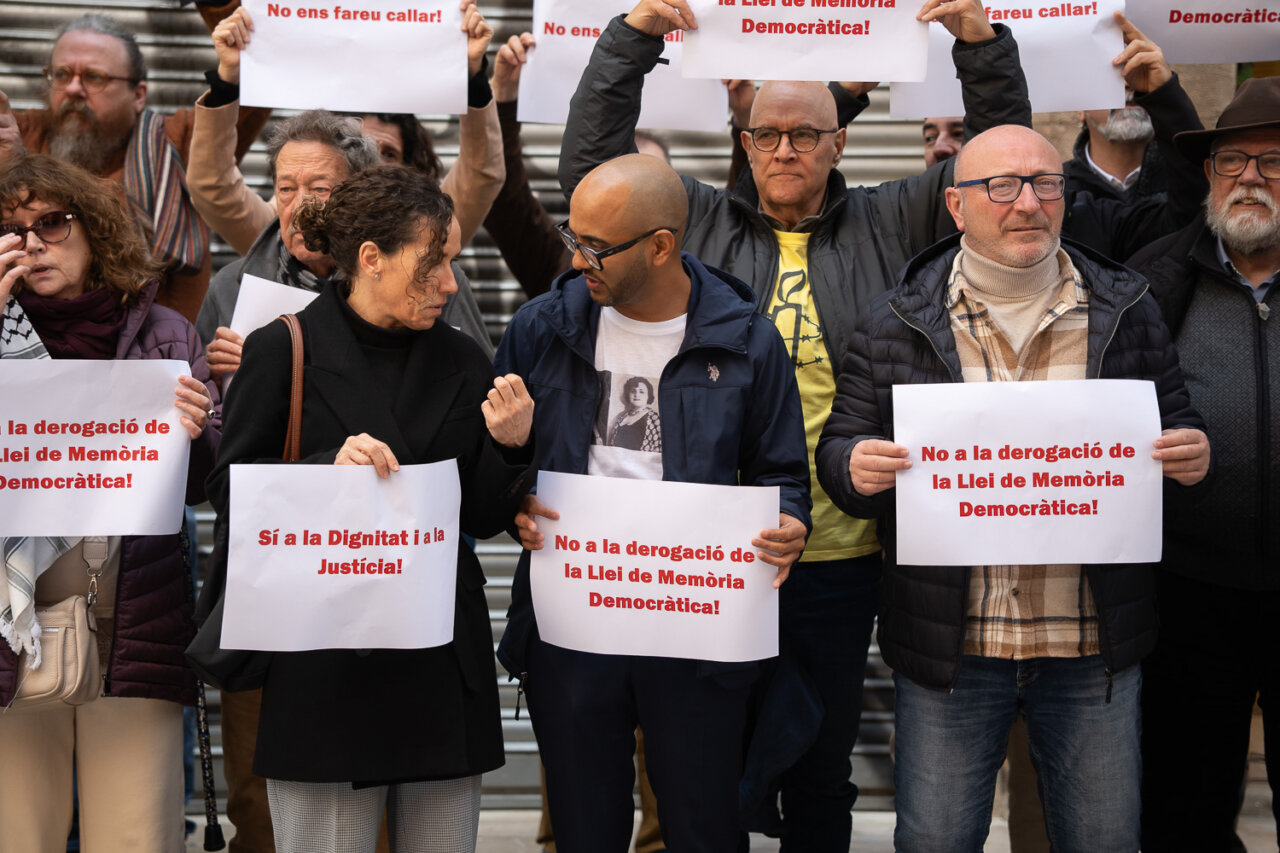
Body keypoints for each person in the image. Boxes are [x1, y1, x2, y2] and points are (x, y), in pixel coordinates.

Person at [558, 1, 1029, 848]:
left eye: (805, 134)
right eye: (766, 133)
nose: (784, 148)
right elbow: (595, 165)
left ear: (839, 142)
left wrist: (981, 47)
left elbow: (1001, 164)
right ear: (742, 144)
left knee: (820, 767)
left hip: (839, 558)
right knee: (705, 774)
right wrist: (630, 40)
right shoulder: (693, 224)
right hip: (706, 553)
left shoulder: (893, 222)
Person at [815, 124, 1211, 852]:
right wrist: (854, 466)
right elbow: (841, 451)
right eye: (1002, 186)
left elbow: (1173, 428)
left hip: (1091, 645)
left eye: (1045, 182)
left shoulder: (1127, 306)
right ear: (958, 206)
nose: (1028, 202)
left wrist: (1191, 453)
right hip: (952, 650)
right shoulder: (894, 317)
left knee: (1103, 840)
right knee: (935, 840)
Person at [203, 164, 534, 853]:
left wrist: (510, 445)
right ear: (370, 258)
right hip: (325, 668)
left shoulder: (467, 360)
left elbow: (478, 516)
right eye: (431, 264)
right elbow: (230, 489)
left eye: (450, 263)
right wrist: (326, 470)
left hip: (441, 668)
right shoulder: (282, 349)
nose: (448, 283)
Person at [495, 153, 811, 852]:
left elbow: (781, 472)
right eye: (573, 237)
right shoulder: (540, 328)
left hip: (694, 622)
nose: (578, 260)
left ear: (662, 245)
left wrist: (790, 521)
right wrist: (517, 485)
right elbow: (494, 466)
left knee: (703, 826)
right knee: (584, 827)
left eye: (596, 247)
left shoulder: (747, 339)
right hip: (575, 623)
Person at [0, 153, 219, 852]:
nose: (32, 242)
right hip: (12, 623)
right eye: (11, 228)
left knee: (134, 835)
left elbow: (205, 482)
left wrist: (195, 435)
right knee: (17, 831)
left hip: (130, 621)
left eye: (51, 223)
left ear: (94, 229)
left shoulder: (164, 334)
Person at [1128, 75, 1280, 853]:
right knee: (1186, 808)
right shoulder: (1156, 278)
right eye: (1231, 162)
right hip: (1191, 595)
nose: (1248, 178)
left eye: (1272, 162)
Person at [0, 12, 269, 323]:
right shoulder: (21, 134)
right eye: (61, 74)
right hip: (34, 353)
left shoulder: (177, 143)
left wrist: (221, 9)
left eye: (94, 77)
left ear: (139, 95)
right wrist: (10, 167)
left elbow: (250, 86)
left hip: (158, 354)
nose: (73, 89)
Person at [186, 3, 502, 257]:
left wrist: (473, 79)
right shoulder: (289, 223)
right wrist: (228, 82)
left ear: (413, 168)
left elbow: (481, 175)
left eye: (387, 153)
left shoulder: (428, 229)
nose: (370, 165)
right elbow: (212, 187)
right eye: (357, 149)